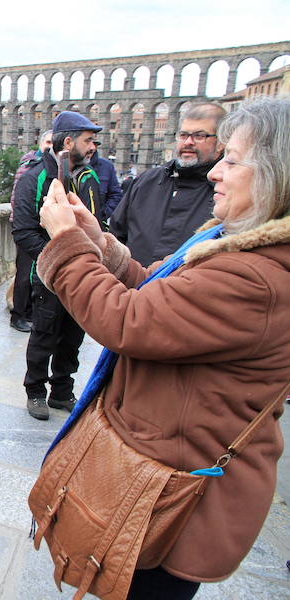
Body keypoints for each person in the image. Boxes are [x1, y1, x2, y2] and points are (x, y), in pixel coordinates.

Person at [35, 96, 290, 599]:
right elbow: (160, 294)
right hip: (163, 473)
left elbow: (127, 321)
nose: (217, 170)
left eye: (233, 159)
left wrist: (66, 245)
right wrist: (99, 243)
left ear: (278, 175)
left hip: (173, 497)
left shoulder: (256, 276)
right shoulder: (239, 245)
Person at [12, 111, 104, 420]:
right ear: (68, 141)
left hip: (81, 272)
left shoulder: (85, 177)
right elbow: (23, 232)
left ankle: (62, 391)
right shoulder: (35, 179)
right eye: (88, 140)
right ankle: (35, 391)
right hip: (51, 276)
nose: (93, 146)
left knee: (73, 336)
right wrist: (57, 259)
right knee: (45, 334)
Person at [109, 102, 226, 266]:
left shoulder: (226, 192)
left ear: (220, 143)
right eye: (183, 135)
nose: (188, 142)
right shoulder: (147, 181)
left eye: (199, 136)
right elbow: (116, 233)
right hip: (132, 287)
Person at [9, 129, 52, 332]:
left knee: (37, 273)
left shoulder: (51, 168)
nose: (51, 147)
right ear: (41, 144)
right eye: (48, 142)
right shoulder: (29, 166)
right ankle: (19, 315)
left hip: (40, 228)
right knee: (25, 273)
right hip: (26, 227)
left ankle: (30, 312)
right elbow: (18, 197)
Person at [88, 140, 122, 218]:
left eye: (94, 144)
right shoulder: (69, 165)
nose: (91, 147)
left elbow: (116, 194)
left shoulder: (107, 166)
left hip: (98, 223)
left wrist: (103, 214)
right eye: (86, 142)